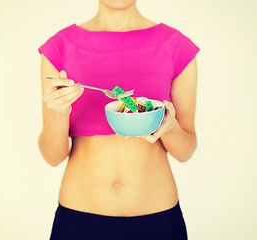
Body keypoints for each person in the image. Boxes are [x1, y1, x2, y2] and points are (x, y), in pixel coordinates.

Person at [38, 0, 200, 239]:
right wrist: (59, 113)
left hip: (158, 220)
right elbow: (52, 156)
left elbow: (186, 151)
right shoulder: (60, 47)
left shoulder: (176, 46)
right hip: (78, 219)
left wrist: (169, 126)